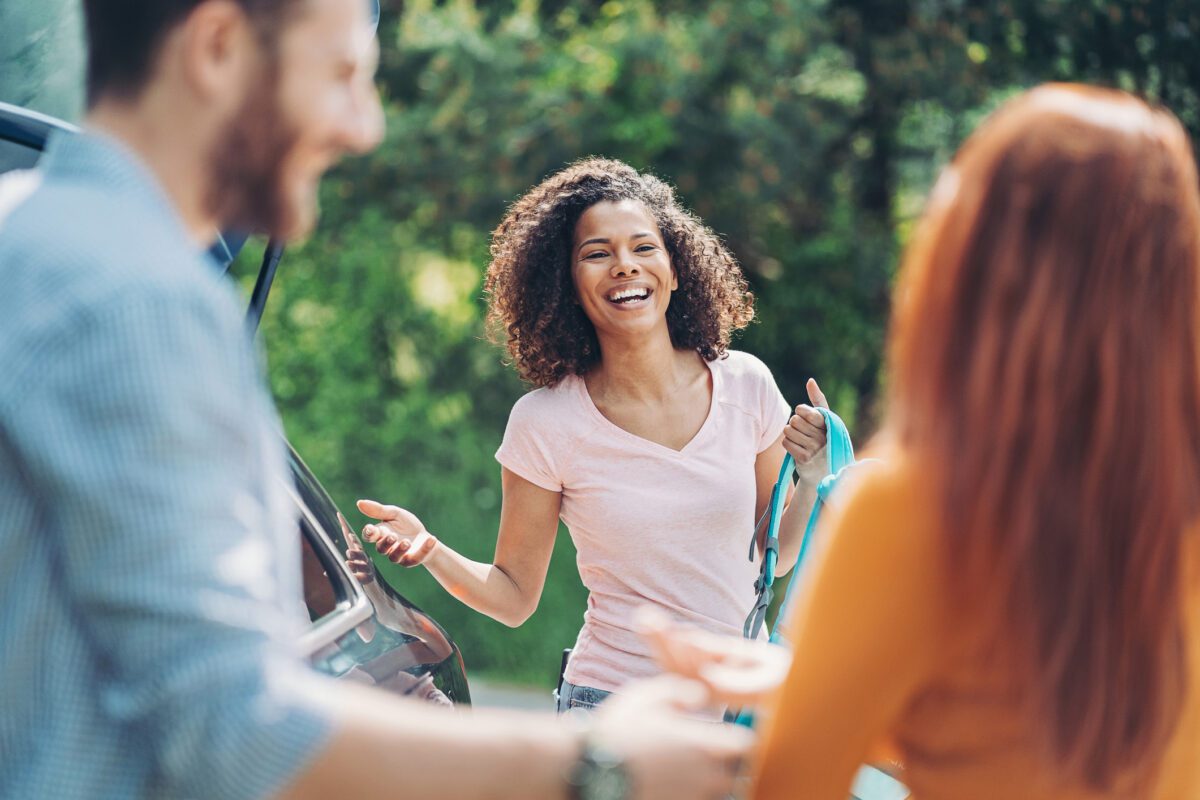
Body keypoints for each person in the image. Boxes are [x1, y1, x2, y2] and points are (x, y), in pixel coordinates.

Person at [0, 0, 755, 798]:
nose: (365, 127)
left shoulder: (32, 243)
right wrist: (602, 764)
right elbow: (230, 727)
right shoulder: (131, 298)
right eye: (344, 76)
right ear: (219, 45)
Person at [649, 84, 1200, 800]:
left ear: (966, 266)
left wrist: (818, 698)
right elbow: (1048, 724)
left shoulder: (913, 511)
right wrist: (818, 683)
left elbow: (791, 786)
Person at [355, 157, 831, 712]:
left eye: (643, 247)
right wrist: (431, 549)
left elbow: (772, 557)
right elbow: (513, 598)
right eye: (597, 254)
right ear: (569, 285)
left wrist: (815, 472)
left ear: (675, 270)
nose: (625, 266)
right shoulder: (546, 423)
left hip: (740, 707)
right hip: (612, 707)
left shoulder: (746, 384)